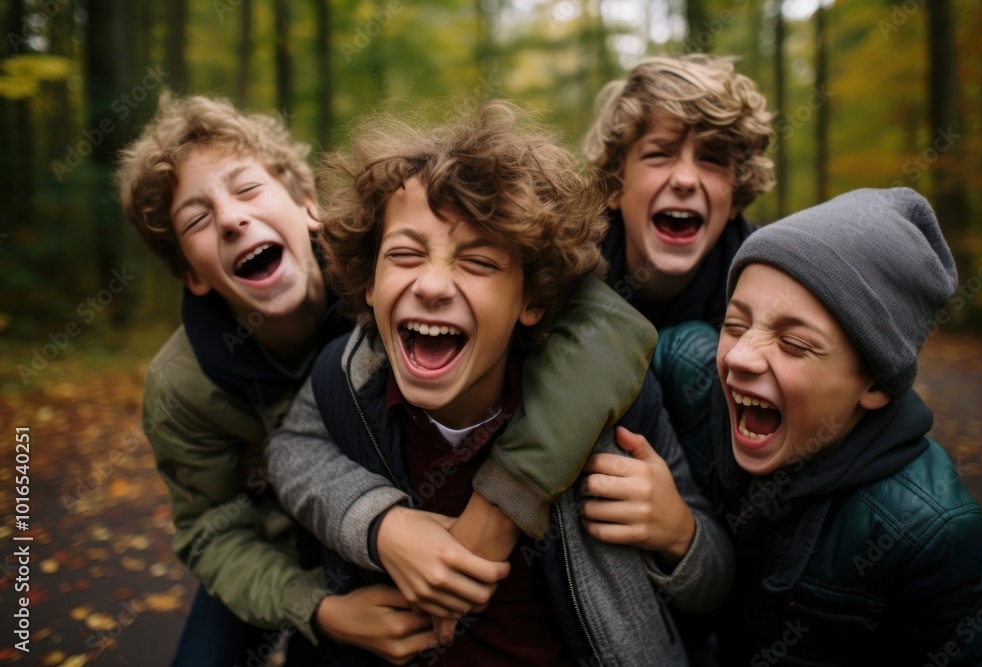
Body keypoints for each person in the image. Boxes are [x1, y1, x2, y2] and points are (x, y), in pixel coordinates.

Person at [116, 93, 658, 664]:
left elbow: (603, 323)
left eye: (247, 189)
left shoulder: (394, 264)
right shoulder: (182, 388)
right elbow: (211, 532)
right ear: (189, 274)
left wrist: (505, 499)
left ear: (307, 204)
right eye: (197, 219)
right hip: (282, 560)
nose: (231, 218)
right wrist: (325, 605)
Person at [269, 100, 734, 665]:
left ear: (532, 299)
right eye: (406, 255)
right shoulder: (344, 380)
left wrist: (677, 532)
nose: (433, 285)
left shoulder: (613, 414)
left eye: (479, 262)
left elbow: (714, 583)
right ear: (369, 284)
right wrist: (378, 525)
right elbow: (291, 450)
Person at [657, 187, 982, 665]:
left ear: (875, 384)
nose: (739, 356)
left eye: (794, 343)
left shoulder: (928, 533)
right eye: (735, 324)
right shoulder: (688, 371)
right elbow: (601, 337)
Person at [582, 53, 774, 330]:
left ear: (736, 197)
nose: (686, 179)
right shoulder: (559, 282)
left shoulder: (774, 292)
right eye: (658, 154)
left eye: (712, 159)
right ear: (614, 188)